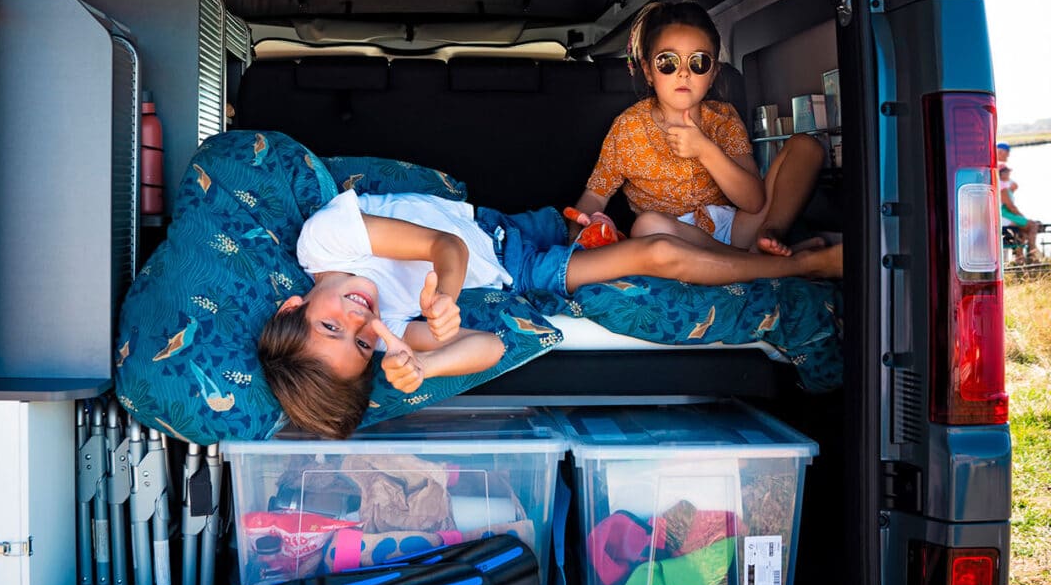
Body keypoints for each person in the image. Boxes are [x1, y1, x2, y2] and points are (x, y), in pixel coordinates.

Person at [258, 185, 842, 437]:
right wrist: (426, 364)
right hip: (520, 271)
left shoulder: (324, 243)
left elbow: (445, 246)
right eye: (360, 344)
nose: (358, 322)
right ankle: (799, 265)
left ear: (293, 304)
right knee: (657, 251)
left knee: (639, 233)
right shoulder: (388, 331)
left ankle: (789, 260)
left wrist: (446, 297)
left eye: (330, 326)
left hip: (496, 232)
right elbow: (492, 347)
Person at [569, 0, 826, 257]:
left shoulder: (723, 118)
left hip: (732, 228)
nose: (683, 73)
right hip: (674, 241)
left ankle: (768, 237)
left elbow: (754, 201)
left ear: (712, 74)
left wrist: (706, 150)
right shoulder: (628, 127)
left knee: (806, 146)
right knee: (647, 226)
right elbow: (596, 195)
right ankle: (752, 260)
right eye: (667, 62)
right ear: (648, 71)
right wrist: (579, 233)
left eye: (699, 62)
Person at [999, 161, 1044, 261]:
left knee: (1023, 232)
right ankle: (1033, 251)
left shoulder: (1002, 185)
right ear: (1001, 174)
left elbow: (1015, 185)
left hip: (1005, 215)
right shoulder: (1002, 187)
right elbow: (1011, 207)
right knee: (1033, 225)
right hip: (1004, 215)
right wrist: (1023, 218)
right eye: (1006, 172)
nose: (1008, 174)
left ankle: (1020, 258)